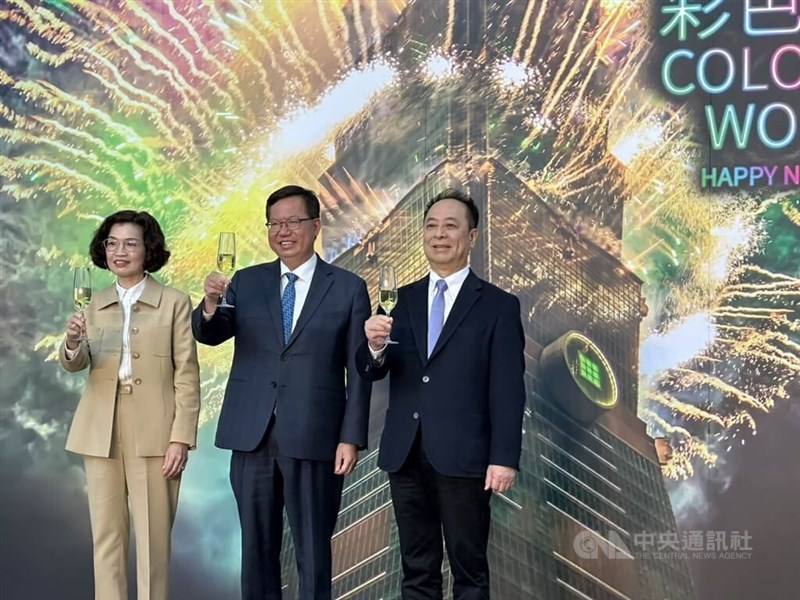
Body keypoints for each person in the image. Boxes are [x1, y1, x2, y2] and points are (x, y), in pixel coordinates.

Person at [192, 185, 371, 600]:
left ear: (315, 226)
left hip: (315, 436)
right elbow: (211, 334)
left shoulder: (348, 288)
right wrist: (209, 304)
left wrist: (351, 436)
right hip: (251, 434)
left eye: (293, 221)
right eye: (275, 223)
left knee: (312, 550)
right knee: (256, 550)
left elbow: (359, 369)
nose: (283, 231)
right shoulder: (247, 282)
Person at [358, 189, 526, 600]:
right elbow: (376, 371)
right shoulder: (399, 301)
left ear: (471, 237)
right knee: (416, 571)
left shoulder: (499, 306)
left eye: (451, 226)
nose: (439, 235)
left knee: (469, 573)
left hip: (465, 458)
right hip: (406, 455)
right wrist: (375, 348)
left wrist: (503, 458)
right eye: (431, 226)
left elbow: (508, 389)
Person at [60, 210, 200, 600]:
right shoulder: (92, 303)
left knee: (154, 542)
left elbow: (187, 374)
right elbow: (75, 363)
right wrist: (72, 341)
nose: (119, 252)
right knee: (106, 538)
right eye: (112, 243)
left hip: (156, 431)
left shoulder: (173, 302)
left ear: (148, 249)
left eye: (130, 243)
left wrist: (181, 439)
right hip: (99, 429)